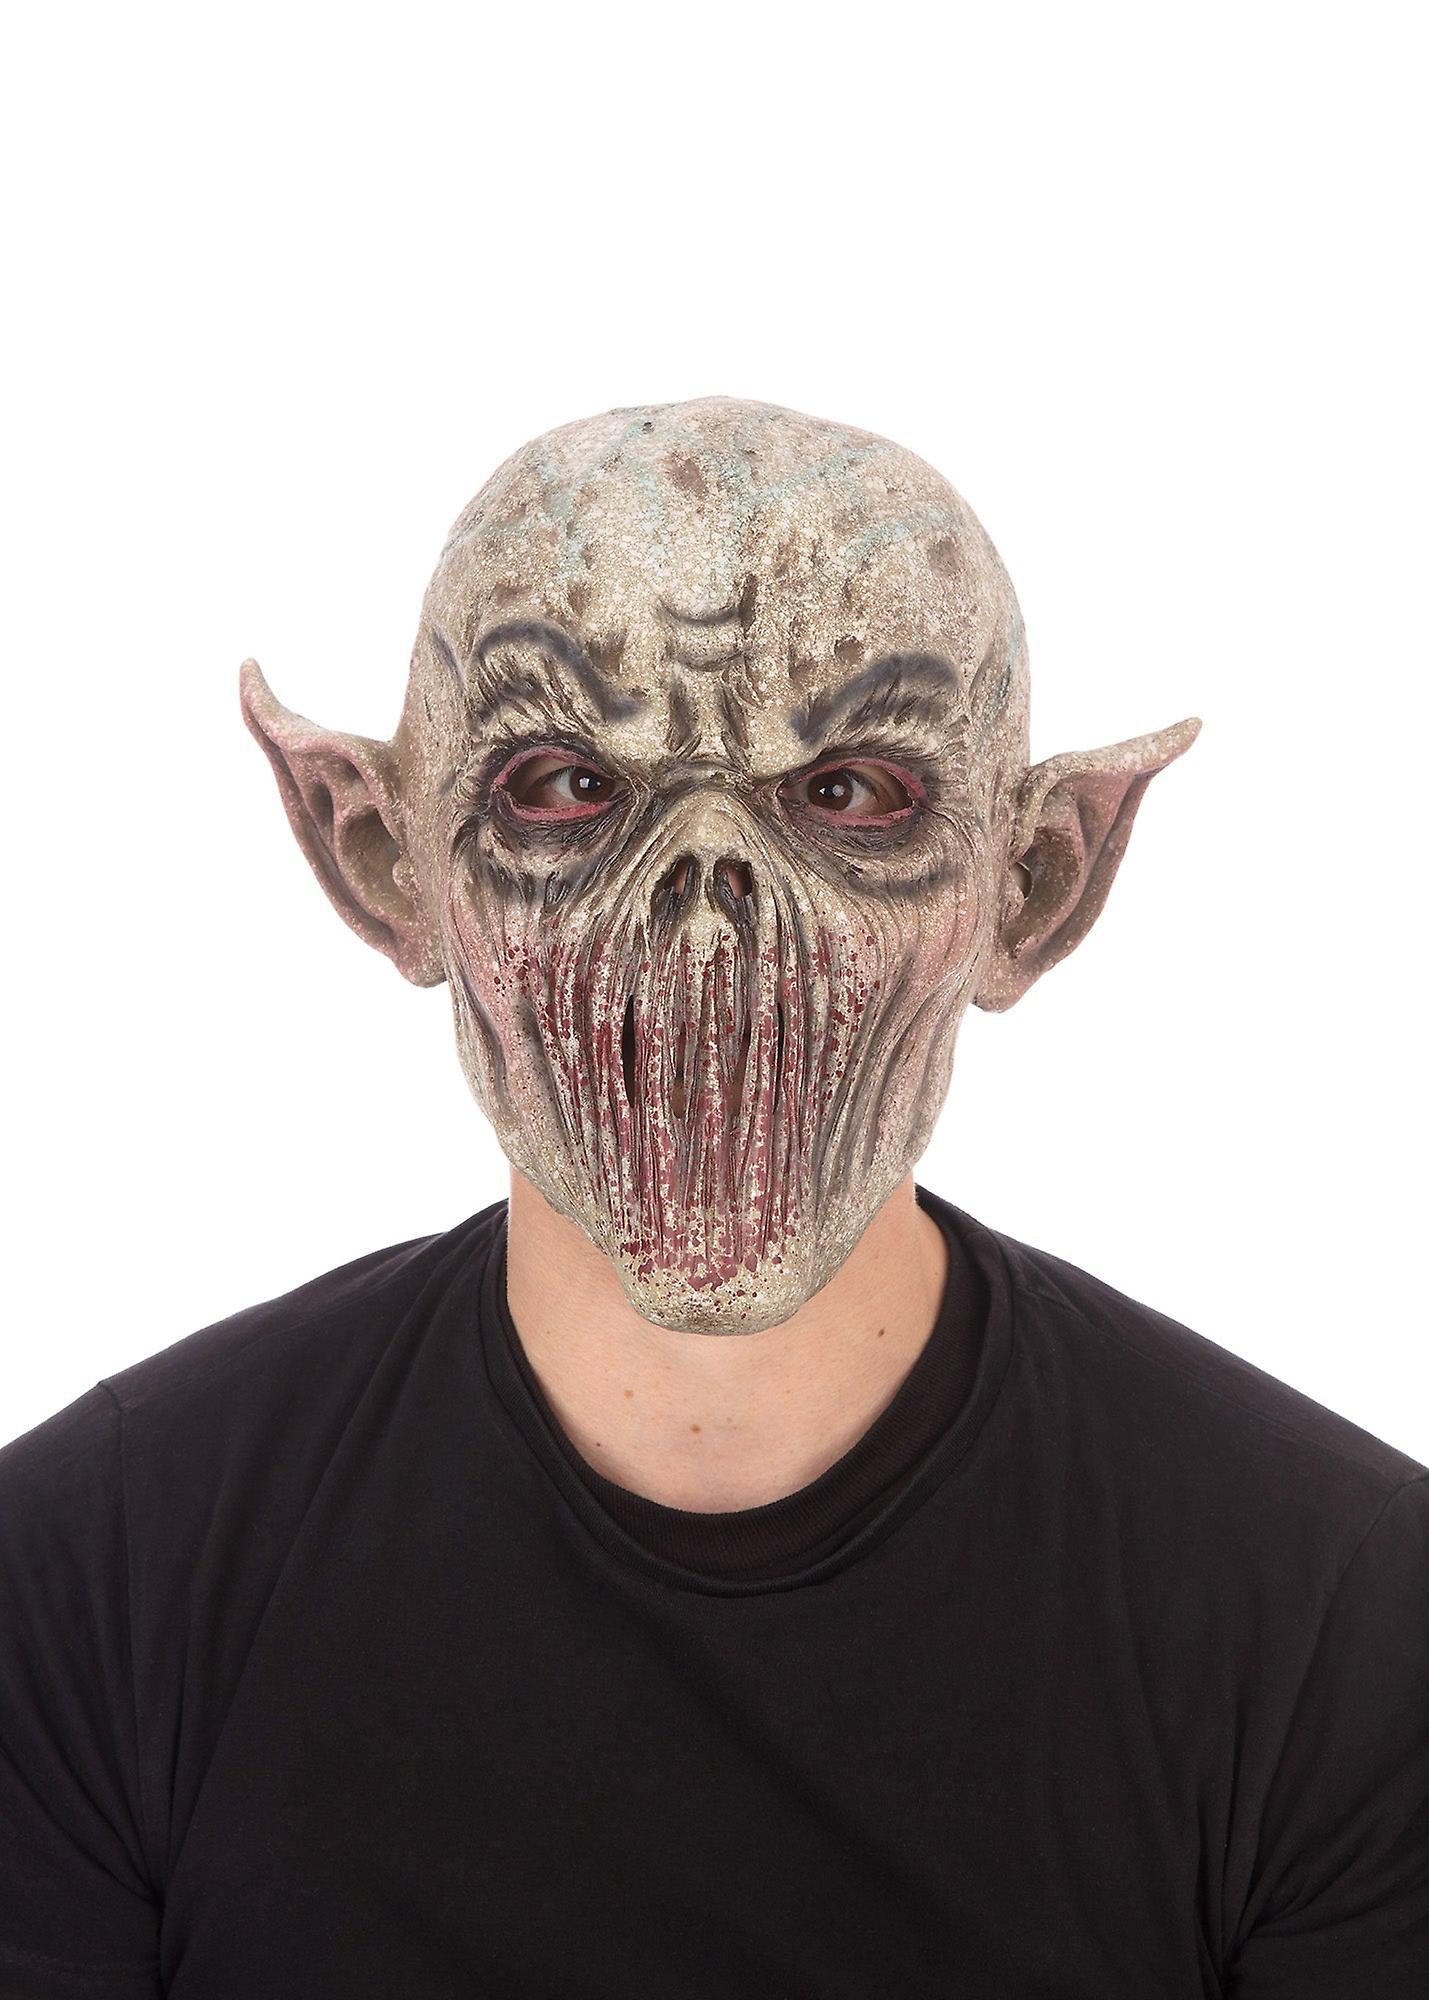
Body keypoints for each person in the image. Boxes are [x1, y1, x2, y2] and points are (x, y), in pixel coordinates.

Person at [2, 397, 1424, 1998]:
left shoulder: (1345, 1627)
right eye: (562, 785)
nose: (704, 919)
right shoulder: (84, 1586)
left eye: (850, 794)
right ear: (384, 859)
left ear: (1032, 883)